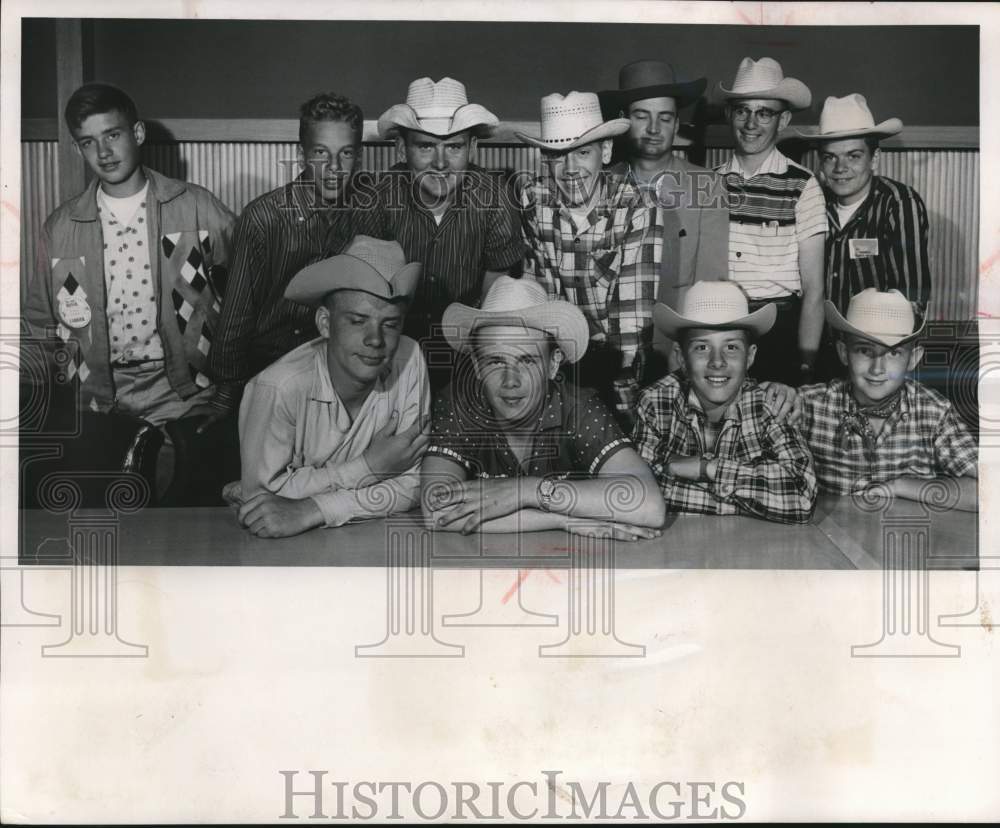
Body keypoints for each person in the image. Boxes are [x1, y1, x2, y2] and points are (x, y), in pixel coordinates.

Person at [23, 83, 235, 497]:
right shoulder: (62, 227)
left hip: (183, 389)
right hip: (98, 396)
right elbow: (39, 324)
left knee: (177, 494)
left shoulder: (194, 205)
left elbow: (245, 293)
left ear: (137, 134)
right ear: (78, 149)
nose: (103, 152)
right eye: (89, 142)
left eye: (113, 135)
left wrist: (229, 389)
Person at [421, 276, 665, 538]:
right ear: (477, 366)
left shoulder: (578, 406)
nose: (511, 381)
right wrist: (563, 520)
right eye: (495, 362)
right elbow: (436, 512)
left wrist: (527, 491)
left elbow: (650, 506)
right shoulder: (460, 404)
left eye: (527, 361)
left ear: (553, 364)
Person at [225, 237, 431, 537]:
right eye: (358, 320)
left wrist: (314, 509)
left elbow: (418, 483)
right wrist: (369, 468)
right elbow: (262, 504)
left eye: (390, 324)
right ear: (324, 323)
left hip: (372, 542)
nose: (375, 339)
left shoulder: (409, 358)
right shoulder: (278, 387)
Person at [206, 92, 365, 430]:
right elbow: (237, 316)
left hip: (338, 374)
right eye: (321, 153)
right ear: (301, 154)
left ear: (358, 157)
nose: (335, 168)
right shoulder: (263, 219)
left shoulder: (366, 216)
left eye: (346, 154)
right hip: (269, 372)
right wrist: (226, 392)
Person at [354, 77, 525, 386]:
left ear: (473, 147)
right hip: (393, 353)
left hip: (467, 354)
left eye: (454, 147)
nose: (441, 163)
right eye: (426, 146)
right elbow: (368, 299)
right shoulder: (377, 198)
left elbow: (494, 301)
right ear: (401, 148)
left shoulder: (495, 199)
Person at [516, 90, 656, 429]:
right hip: (559, 360)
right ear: (544, 159)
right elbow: (542, 299)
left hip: (616, 363)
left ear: (605, 152)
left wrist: (622, 403)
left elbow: (631, 318)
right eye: (557, 156)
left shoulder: (637, 206)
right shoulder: (533, 200)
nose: (570, 169)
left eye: (582, 153)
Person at [632, 281, 818, 523]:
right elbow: (637, 491)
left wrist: (707, 468)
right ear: (681, 358)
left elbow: (802, 496)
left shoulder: (768, 406)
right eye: (701, 347)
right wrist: (749, 502)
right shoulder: (656, 403)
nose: (717, 361)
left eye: (731, 347)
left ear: (750, 356)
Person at [796, 289, 977, 511]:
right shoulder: (811, 405)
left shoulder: (933, 411)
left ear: (913, 359)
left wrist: (901, 486)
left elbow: (990, 490)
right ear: (844, 353)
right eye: (864, 350)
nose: (877, 369)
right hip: (831, 538)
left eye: (893, 353)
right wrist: (778, 393)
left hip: (906, 539)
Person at [602, 59, 729, 371]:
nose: (655, 129)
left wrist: (688, 346)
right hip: (611, 349)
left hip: (678, 349)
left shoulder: (707, 185)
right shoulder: (601, 186)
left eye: (665, 118)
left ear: (676, 123)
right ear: (623, 121)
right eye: (642, 117)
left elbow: (711, 280)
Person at [715, 57, 827, 386]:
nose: (751, 123)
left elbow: (814, 290)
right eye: (743, 111)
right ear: (729, 115)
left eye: (764, 113)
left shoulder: (803, 185)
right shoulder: (709, 184)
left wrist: (805, 363)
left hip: (779, 332)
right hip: (722, 323)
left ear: (783, 120)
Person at [803, 95, 931, 381]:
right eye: (830, 157)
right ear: (820, 163)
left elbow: (912, 297)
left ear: (874, 158)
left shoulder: (899, 202)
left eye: (853, 155)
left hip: (877, 359)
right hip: (821, 354)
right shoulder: (811, 202)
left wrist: (887, 364)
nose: (840, 168)